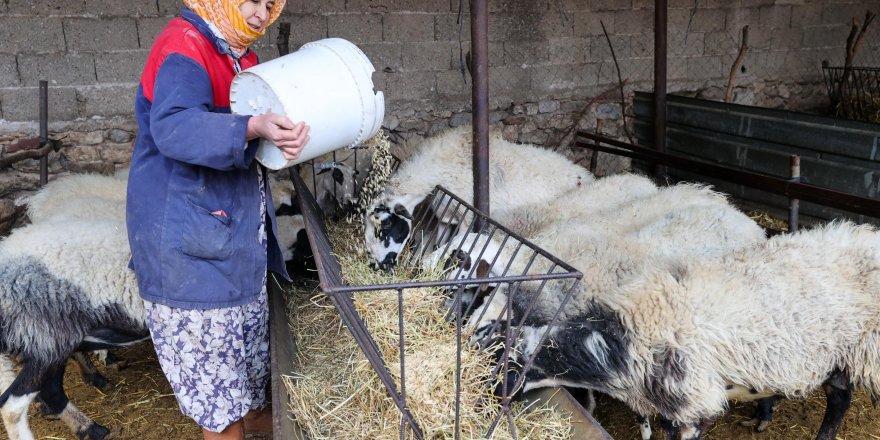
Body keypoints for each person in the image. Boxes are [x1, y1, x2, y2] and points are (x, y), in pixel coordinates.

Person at [126, 1, 308, 439]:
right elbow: (173, 126)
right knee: (221, 407)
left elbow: (253, 129)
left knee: (243, 382)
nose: (263, 14)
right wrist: (250, 127)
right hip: (191, 252)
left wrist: (280, 135)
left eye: (271, 5)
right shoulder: (185, 44)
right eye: (254, 0)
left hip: (228, 242)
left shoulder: (239, 55)